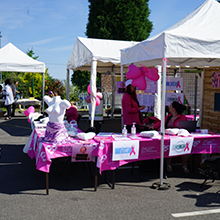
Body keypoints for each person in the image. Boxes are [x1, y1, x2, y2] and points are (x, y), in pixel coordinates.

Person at [148, 101, 189, 173]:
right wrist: (152, 127)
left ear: (174, 108)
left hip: (179, 138)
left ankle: (184, 166)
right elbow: (160, 123)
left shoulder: (182, 117)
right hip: (169, 138)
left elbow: (185, 128)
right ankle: (168, 165)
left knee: (186, 148)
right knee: (169, 148)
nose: (169, 107)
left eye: (170, 106)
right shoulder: (168, 117)